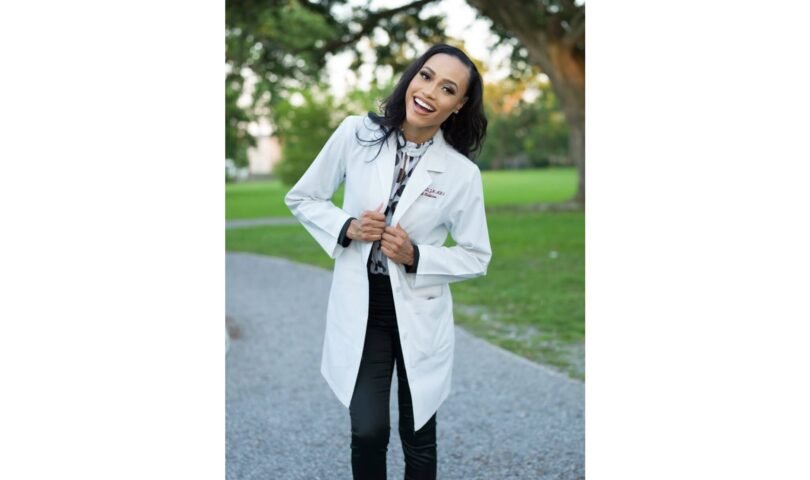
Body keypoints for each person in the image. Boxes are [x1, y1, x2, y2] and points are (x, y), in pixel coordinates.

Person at [285, 43, 492, 479]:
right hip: (365, 309)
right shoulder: (355, 134)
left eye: (448, 89)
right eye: (426, 76)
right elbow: (303, 197)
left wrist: (417, 256)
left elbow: (476, 255)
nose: (430, 92)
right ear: (412, 77)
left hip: (419, 312)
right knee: (368, 430)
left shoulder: (461, 174)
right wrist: (348, 226)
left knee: (418, 437)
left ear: (458, 106)